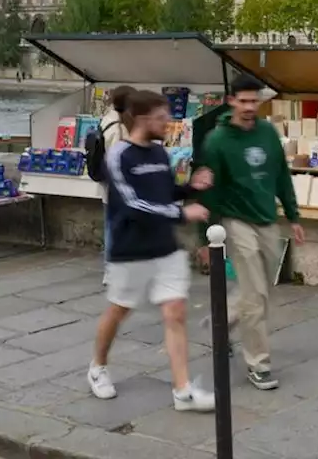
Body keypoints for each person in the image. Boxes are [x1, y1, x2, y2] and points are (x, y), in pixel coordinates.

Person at [89, 90, 214, 411]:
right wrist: (182, 213)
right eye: (162, 118)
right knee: (119, 309)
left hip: (165, 247)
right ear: (143, 119)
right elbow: (133, 205)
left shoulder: (159, 153)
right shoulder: (119, 156)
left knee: (175, 313)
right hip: (130, 249)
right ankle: (97, 367)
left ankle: (183, 391)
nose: (168, 123)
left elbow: (164, 191)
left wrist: (190, 188)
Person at [198, 74, 304, 391]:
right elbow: (209, 191)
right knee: (256, 296)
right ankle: (258, 364)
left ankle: (222, 323)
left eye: (253, 101)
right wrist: (205, 236)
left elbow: (282, 176)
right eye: (242, 101)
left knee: (261, 291)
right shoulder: (217, 141)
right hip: (236, 221)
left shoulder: (268, 133)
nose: (248, 107)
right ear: (231, 101)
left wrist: (294, 216)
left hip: (267, 219)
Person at [99, 85, 135, 285]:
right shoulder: (117, 128)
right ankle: (112, 271)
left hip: (109, 187)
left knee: (112, 227)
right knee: (114, 228)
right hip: (117, 188)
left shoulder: (107, 119)